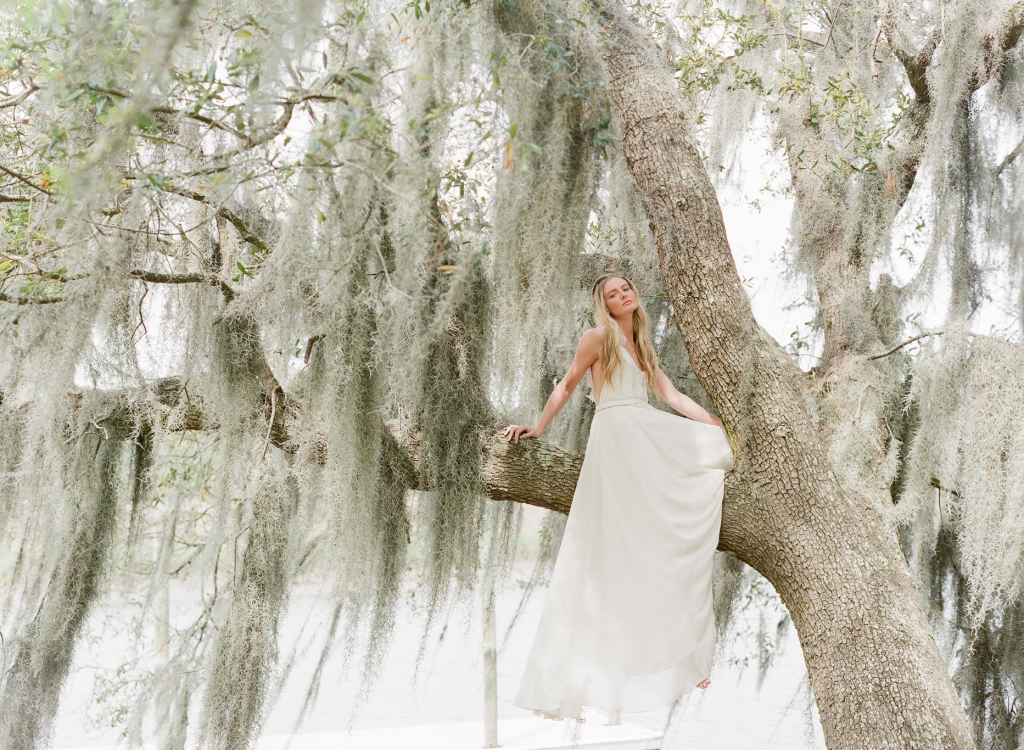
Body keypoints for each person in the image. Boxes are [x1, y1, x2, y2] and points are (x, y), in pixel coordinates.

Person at [503, 274, 734, 721]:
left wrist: (715, 423)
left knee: (715, 451)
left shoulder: (644, 344)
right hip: (615, 432)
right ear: (604, 306)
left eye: (625, 289)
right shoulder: (597, 337)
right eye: (613, 294)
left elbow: (671, 395)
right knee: (623, 536)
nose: (623, 295)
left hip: (644, 427)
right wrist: (538, 427)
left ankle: (673, 633)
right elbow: (568, 385)